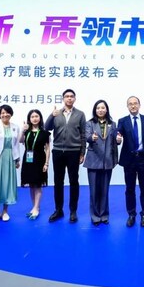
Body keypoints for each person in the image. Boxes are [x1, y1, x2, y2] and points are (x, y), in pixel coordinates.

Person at [45, 89, 86, 223]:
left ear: (75, 99)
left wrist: (82, 152)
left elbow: (83, 134)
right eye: (67, 96)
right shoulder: (57, 113)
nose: (69, 98)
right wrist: (51, 115)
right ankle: (58, 210)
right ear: (63, 99)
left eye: (71, 96)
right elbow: (46, 127)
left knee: (74, 181)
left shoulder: (80, 114)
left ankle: (73, 211)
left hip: (74, 152)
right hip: (58, 151)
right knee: (58, 181)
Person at [117, 96, 144, 227]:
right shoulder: (122, 121)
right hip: (129, 160)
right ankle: (131, 214)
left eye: (135, 103)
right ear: (127, 106)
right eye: (130, 104)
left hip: (143, 159)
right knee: (129, 188)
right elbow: (118, 135)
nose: (133, 106)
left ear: (139, 105)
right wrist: (117, 139)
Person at [83, 100, 120, 225]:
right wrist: (91, 138)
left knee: (105, 190)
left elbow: (115, 140)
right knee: (94, 190)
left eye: (103, 108)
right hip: (93, 160)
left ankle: (104, 214)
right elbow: (86, 136)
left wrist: (118, 140)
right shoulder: (89, 123)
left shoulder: (112, 124)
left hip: (107, 161)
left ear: (106, 109)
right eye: (98, 108)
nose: (100, 110)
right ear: (95, 110)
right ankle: (94, 216)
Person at [19, 109, 51, 220]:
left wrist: (46, 163)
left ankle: (37, 208)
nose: (34, 118)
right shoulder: (26, 131)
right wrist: (22, 131)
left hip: (39, 160)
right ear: (29, 119)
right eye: (32, 117)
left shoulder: (45, 133)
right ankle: (34, 207)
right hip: (28, 161)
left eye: (36, 116)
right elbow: (20, 141)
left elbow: (47, 149)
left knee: (38, 185)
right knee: (31, 185)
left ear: (40, 118)